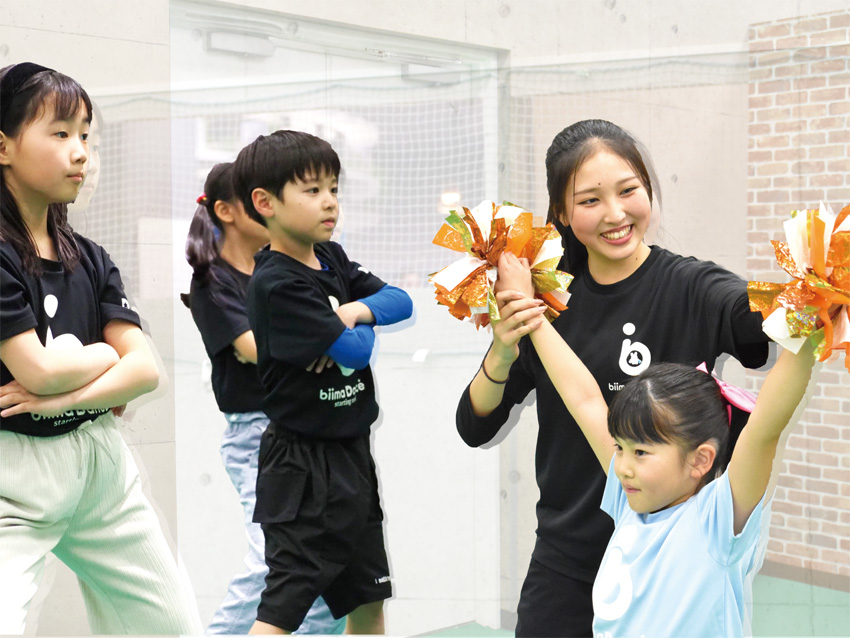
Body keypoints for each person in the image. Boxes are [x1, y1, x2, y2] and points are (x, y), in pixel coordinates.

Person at [455, 119, 771, 636]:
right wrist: (503, 349)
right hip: (566, 561)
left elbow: (759, 317)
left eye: (628, 191)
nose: (616, 214)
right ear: (561, 212)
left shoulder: (692, 287)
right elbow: (475, 424)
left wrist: (813, 297)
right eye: (590, 200)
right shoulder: (546, 300)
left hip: (668, 560)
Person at [494, 251, 817, 638]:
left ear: (700, 460)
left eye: (641, 452)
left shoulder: (717, 521)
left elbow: (765, 427)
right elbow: (584, 399)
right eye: (620, 447)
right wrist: (527, 309)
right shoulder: (628, 502)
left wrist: (814, 323)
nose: (623, 466)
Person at [0, 62, 201, 634]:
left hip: (103, 469)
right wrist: (106, 357)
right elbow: (38, 371)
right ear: (3, 146)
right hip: (15, 481)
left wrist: (65, 397)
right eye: (61, 133)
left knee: (171, 626)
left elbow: (147, 372)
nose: (81, 152)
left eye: (86, 135)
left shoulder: (90, 257)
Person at [232, 129, 413, 635]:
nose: (330, 201)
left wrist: (352, 311)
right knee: (282, 610)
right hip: (301, 470)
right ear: (265, 203)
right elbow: (355, 353)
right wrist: (362, 325)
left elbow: (401, 301)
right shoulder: (277, 283)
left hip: (352, 457)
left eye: (333, 188)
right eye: (312, 190)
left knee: (368, 602)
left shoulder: (332, 257)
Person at [182, 161, 345, 635]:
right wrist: (322, 335)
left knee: (327, 558)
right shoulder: (212, 282)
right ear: (227, 211)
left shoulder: (284, 267)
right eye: (258, 200)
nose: (269, 208)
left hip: (308, 428)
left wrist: (326, 332)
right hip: (256, 434)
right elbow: (258, 350)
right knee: (275, 558)